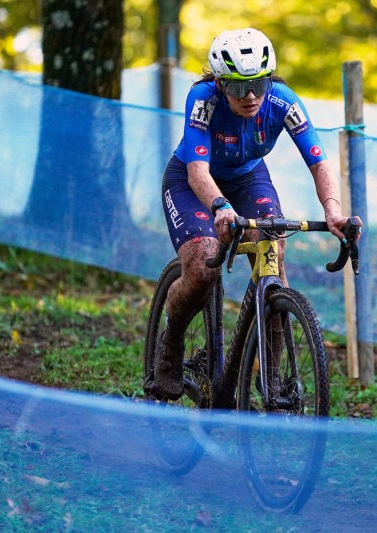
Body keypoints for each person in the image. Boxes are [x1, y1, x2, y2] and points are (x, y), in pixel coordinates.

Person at [151, 28, 360, 401]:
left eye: (259, 84)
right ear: (219, 83)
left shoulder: (283, 101)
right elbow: (199, 172)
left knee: (272, 256)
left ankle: (271, 370)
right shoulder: (203, 99)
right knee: (201, 266)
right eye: (236, 87)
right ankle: (171, 343)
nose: (250, 96)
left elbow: (319, 163)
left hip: (248, 178)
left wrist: (333, 212)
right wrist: (219, 207)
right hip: (193, 181)